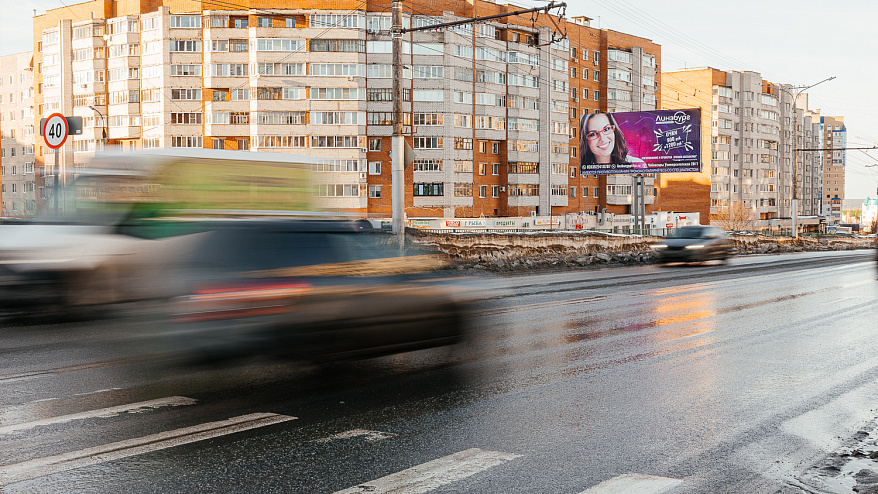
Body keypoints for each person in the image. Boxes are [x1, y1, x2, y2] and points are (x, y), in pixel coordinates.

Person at [579, 112, 645, 171]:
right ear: (585, 141)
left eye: (607, 129)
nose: (603, 139)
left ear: (614, 131)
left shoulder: (636, 164)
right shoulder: (580, 167)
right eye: (593, 134)